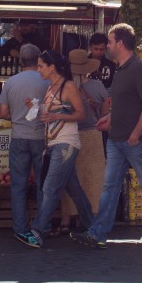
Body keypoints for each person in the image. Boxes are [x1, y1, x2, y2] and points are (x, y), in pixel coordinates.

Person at [72, 23, 142, 248]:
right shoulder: (121, 69)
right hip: (117, 138)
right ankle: (98, 233)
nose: (107, 46)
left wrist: (136, 134)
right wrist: (110, 119)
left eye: (110, 42)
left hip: (134, 141)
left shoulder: (137, 69)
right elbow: (125, 104)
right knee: (110, 187)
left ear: (120, 43)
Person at [30, 51, 95, 243]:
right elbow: (50, 112)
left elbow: (81, 114)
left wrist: (56, 116)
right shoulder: (51, 88)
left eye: (41, 66)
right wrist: (34, 108)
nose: (38, 69)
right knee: (74, 189)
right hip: (53, 143)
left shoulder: (68, 86)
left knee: (50, 188)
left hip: (65, 143)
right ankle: (93, 225)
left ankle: (38, 231)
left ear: (52, 67)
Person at [0, 44, 49, 248]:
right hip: (41, 137)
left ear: (20, 61)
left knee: (18, 185)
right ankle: (40, 227)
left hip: (19, 137)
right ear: (38, 61)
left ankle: (20, 228)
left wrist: (18, 117)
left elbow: (2, 113)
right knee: (43, 185)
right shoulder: (46, 80)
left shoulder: (10, 82)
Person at [58, 48, 110, 236]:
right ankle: (90, 218)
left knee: (71, 179)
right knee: (93, 180)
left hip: (69, 135)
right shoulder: (98, 87)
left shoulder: (63, 86)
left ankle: (66, 220)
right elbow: (104, 115)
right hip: (93, 135)